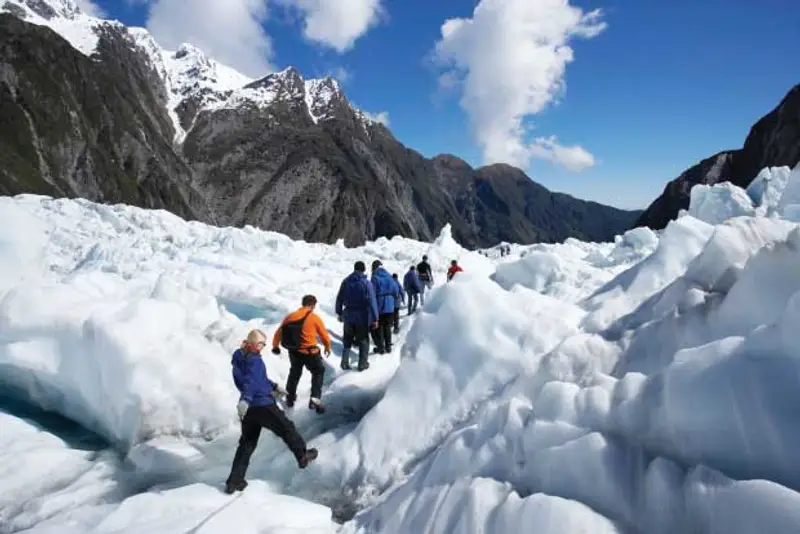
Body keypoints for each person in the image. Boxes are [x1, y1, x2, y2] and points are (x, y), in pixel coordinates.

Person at [225, 329, 318, 494]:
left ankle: (235, 480)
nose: (262, 347)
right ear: (254, 344)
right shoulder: (254, 360)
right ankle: (302, 456)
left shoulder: (240, 357)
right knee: (286, 428)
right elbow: (251, 382)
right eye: (261, 344)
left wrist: (274, 387)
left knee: (246, 444)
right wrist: (245, 399)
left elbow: (257, 379)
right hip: (262, 405)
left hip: (250, 411)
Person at [271, 295, 331, 414]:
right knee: (318, 372)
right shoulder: (314, 318)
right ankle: (315, 398)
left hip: (294, 352)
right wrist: (327, 347)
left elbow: (278, 333)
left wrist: (275, 346)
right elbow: (324, 335)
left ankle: (290, 397)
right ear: (312, 305)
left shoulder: (290, 316)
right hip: (310, 352)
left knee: (294, 373)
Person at [335, 261, 379, 371]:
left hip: (348, 315)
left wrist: (339, 312)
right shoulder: (366, 283)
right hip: (362, 316)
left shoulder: (346, 281)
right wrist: (375, 318)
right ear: (364, 270)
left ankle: (344, 363)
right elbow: (372, 302)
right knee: (363, 340)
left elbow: (339, 298)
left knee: (347, 339)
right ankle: (362, 364)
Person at [370, 260, 396, 354]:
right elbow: (395, 290)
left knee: (379, 327)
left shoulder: (375, 277)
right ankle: (388, 346)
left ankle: (381, 347)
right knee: (387, 326)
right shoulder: (389, 276)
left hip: (379, 304)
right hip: (390, 305)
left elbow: (371, 293)